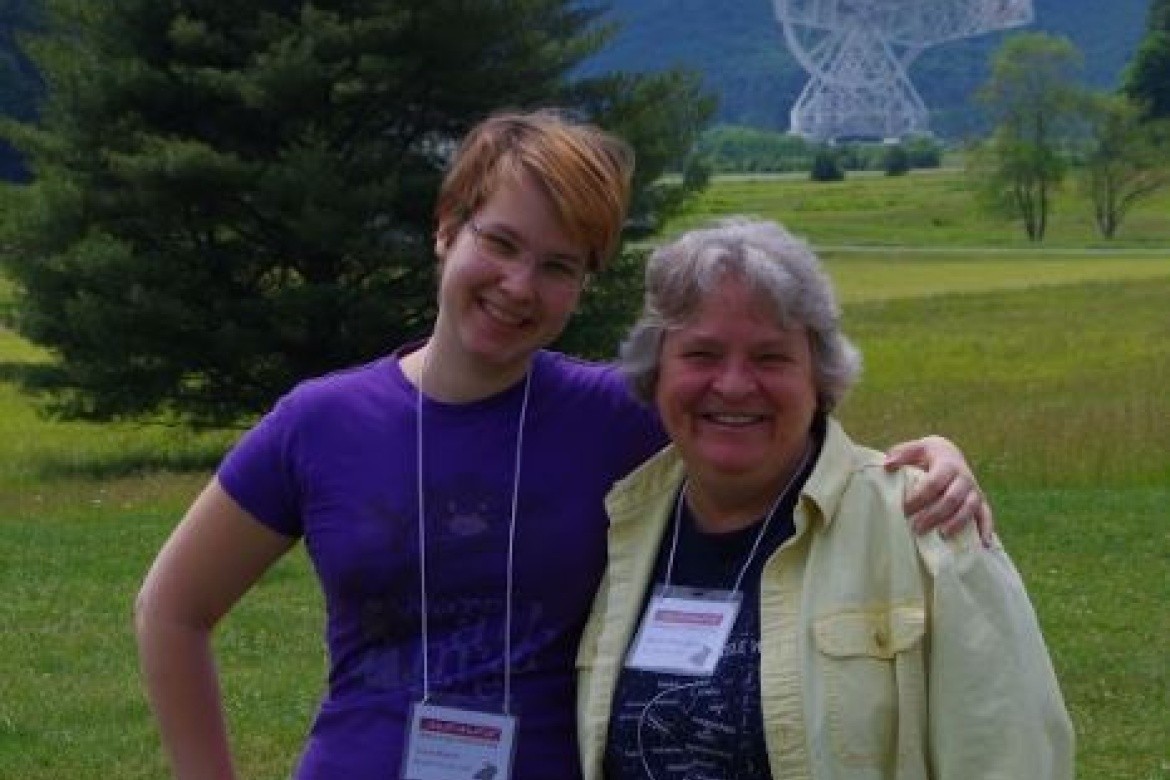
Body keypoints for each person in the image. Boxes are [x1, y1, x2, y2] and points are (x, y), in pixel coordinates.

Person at [134, 111, 991, 780]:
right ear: (446, 229)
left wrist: (930, 458)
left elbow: (765, 425)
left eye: (558, 265)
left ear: (585, 282)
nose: (518, 286)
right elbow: (171, 610)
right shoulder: (319, 423)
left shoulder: (617, 416)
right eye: (499, 243)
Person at [576, 218, 1074, 780]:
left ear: (820, 377)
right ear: (656, 372)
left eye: (770, 358)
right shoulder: (619, 524)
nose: (735, 385)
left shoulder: (928, 523)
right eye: (702, 355)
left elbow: (1010, 757)